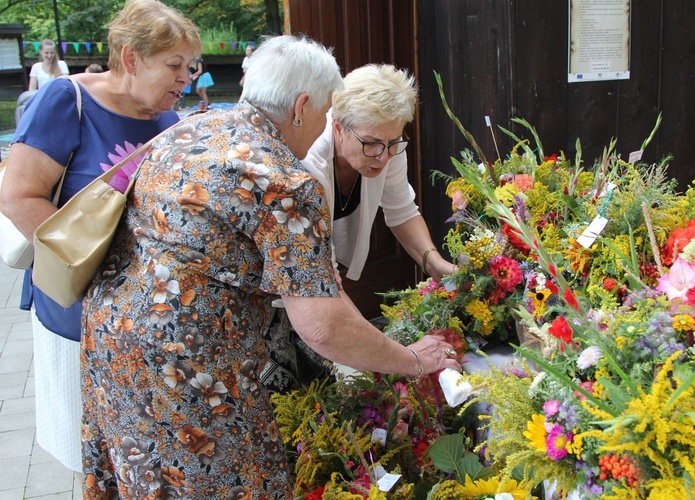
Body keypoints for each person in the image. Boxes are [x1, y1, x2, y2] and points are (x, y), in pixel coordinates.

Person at [79, 34, 461, 498]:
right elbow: (323, 325)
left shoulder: (191, 128)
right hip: (190, 369)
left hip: (113, 346)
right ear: (302, 106)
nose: (325, 125)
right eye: (324, 112)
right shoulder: (283, 180)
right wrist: (412, 359)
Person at [0, 0, 201, 476]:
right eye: (174, 65)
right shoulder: (67, 100)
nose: (186, 78)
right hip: (78, 308)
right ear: (131, 58)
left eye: (189, 67)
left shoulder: (170, 122)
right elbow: (18, 196)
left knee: (140, 456)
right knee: (90, 452)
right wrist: (97, 274)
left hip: (141, 320)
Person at [303, 63, 455, 282]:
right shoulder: (309, 158)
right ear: (338, 129)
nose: (383, 157)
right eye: (370, 143)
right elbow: (321, 272)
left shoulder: (388, 146)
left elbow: (401, 211)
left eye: (393, 141)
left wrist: (437, 267)